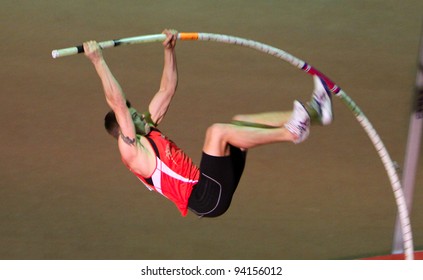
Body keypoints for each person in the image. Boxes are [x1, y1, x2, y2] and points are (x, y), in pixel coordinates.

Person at [83, 29, 333, 218]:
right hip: (205, 197)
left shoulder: (147, 130)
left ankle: (316, 112)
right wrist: (98, 61)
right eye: (134, 118)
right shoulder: (131, 150)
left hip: (213, 186)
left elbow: (167, 89)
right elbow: (117, 103)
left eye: (136, 113)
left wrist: (169, 50)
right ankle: (290, 133)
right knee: (217, 132)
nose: (141, 117)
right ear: (124, 130)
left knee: (241, 124)